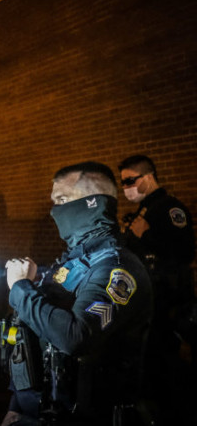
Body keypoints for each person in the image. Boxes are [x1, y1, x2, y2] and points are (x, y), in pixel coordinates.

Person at [2, 161, 152, 425]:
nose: (54, 211)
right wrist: (18, 405)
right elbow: (36, 334)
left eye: (62, 200)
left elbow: (75, 336)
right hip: (48, 409)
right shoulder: (76, 262)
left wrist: (20, 289)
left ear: (92, 202)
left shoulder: (116, 268)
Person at [118, 154, 196, 423]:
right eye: (123, 182)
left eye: (130, 180)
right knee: (149, 370)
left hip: (168, 304)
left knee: (167, 370)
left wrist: (146, 235)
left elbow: (184, 253)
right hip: (147, 303)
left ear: (148, 177)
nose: (126, 187)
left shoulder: (169, 208)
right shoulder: (144, 210)